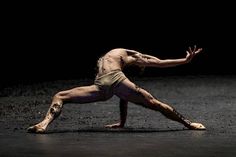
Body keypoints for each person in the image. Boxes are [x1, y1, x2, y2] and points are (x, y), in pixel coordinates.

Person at [27, 45, 206, 133]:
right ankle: (43, 125)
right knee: (154, 103)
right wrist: (184, 60)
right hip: (107, 82)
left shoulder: (114, 58)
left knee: (60, 96)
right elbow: (156, 62)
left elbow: (123, 94)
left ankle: (44, 125)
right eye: (140, 65)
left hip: (104, 85)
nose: (140, 65)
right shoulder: (128, 53)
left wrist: (121, 123)